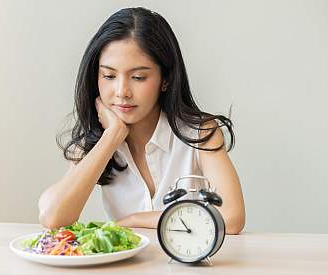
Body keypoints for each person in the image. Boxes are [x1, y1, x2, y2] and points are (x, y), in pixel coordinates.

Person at [38, 7, 245, 234]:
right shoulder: (93, 143)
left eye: (138, 77)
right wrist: (112, 136)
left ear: (165, 80)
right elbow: (53, 217)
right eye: (108, 76)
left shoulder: (199, 133)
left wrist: (136, 219)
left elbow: (231, 218)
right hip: (126, 269)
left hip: (191, 268)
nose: (122, 91)